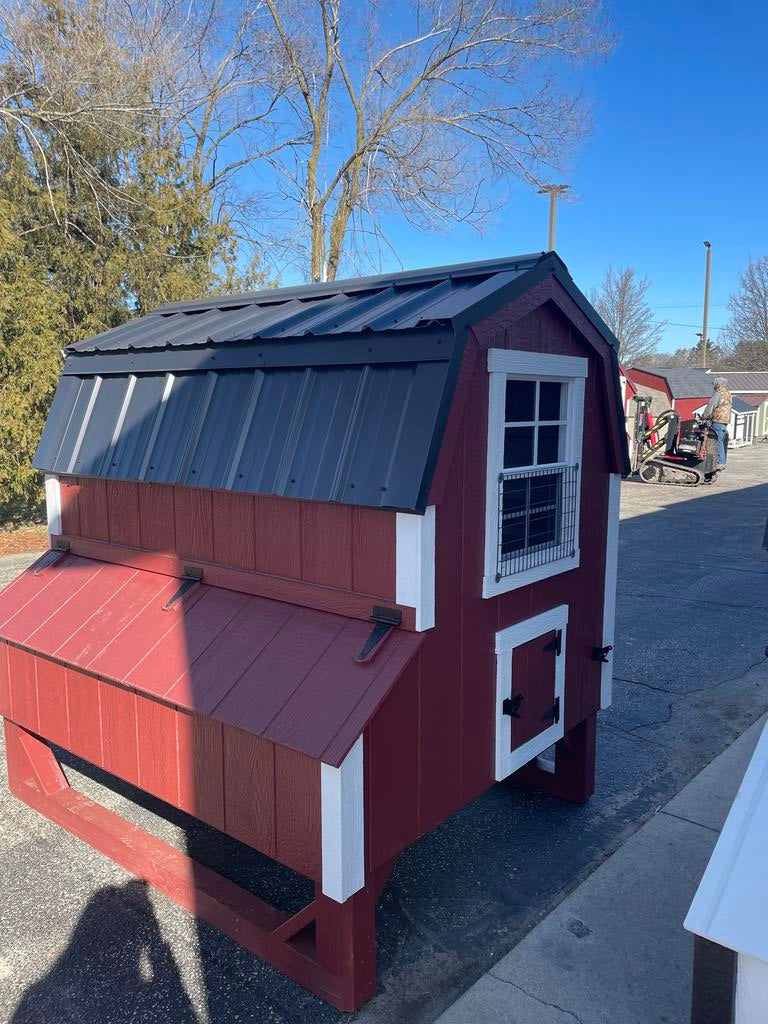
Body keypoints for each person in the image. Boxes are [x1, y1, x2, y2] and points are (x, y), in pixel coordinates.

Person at [703, 376, 732, 469]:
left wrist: (705, 416)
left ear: (717, 384)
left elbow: (711, 405)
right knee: (720, 441)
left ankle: (719, 462)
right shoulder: (728, 394)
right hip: (724, 421)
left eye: (714, 384)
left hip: (718, 420)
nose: (713, 386)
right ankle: (721, 461)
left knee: (717, 441)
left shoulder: (718, 394)